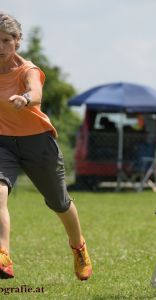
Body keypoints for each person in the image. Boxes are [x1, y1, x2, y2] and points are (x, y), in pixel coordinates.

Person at [0, 12, 92, 280]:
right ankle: (3, 255)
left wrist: (26, 99)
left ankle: (79, 248)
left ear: (18, 41)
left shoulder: (27, 69)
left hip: (37, 142)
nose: (1, 47)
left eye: (6, 40)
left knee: (60, 203)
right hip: (3, 143)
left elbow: (36, 91)